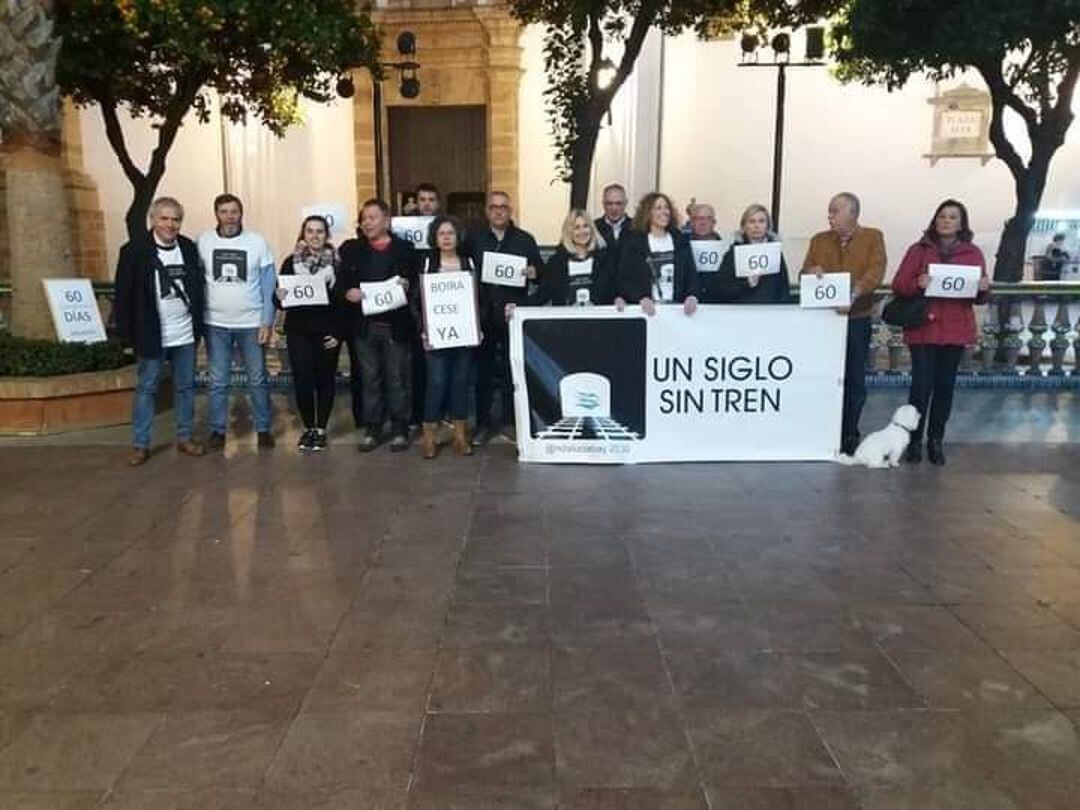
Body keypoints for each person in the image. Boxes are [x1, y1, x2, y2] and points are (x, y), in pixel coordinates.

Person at [892, 199, 989, 465]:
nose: (946, 221)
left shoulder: (973, 254)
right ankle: (913, 441)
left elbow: (979, 297)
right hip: (924, 328)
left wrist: (982, 287)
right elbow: (899, 285)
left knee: (945, 388)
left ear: (961, 223)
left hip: (955, 330)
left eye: (952, 217)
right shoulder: (918, 250)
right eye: (942, 216)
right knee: (920, 387)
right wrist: (917, 283)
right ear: (935, 220)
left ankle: (936, 440)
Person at [114, 197, 206, 466]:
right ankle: (140, 444)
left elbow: (197, 288)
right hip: (151, 333)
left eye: (175, 219)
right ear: (153, 220)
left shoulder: (188, 248)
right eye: (164, 218)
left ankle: (185, 436)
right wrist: (127, 337)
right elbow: (123, 296)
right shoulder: (134, 251)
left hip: (185, 334)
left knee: (186, 387)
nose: (170, 224)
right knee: (147, 388)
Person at [801, 192, 886, 455]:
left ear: (853, 213)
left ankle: (849, 432)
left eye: (835, 211)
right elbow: (804, 271)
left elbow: (876, 271)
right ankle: (821, 429)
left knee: (854, 378)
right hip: (823, 321)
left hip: (856, 319)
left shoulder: (873, 237)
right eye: (829, 211)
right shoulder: (819, 240)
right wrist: (810, 272)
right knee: (822, 375)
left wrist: (854, 293)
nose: (830, 216)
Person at [197, 193, 277, 450]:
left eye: (234, 211)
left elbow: (268, 285)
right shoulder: (203, 242)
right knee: (218, 380)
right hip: (215, 323)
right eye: (224, 211)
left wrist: (267, 321)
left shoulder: (257, 242)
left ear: (241, 214)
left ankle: (263, 429)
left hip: (251, 323)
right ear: (216, 214)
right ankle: (217, 431)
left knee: (257, 378)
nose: (229, 217)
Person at [339, 199, 417, 452]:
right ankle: (372, 427)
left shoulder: (405, 248)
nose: (367, 222)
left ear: (386, 220)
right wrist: (347, 292)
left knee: (397, 378)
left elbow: (417, 282)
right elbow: (340, 283)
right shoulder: (351, 249)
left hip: (395, 325)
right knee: (370, 378)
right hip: (364, 324)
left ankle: (399, 427)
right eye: (364, 218)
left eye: (373, 217)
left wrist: (407, 285)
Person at [469, 191, 544, 445]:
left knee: (514, 370)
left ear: (510, 210)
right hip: (484, 314)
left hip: (514, 313)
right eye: (493, 207)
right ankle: (482, 425)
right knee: (483, 373)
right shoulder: (474, 239)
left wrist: (534, 272)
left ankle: (512, 423)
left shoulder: (525, 240)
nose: (498, 211)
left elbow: (542, 275)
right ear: (487, 211)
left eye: (503, 207)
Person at [275, 215, 343, 452]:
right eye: (310, 231)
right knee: (302, 381)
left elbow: (342, 303)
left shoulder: (336, 264)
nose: (315, 236)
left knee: (325, 381)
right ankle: (308, 428)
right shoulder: (290, 263)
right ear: (303, 234)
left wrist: (338, 333)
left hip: (327, 333)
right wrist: (279, 296)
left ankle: (322, 429)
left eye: (320, 231)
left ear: (327, 235)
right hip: (299, 332)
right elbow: (281, 300)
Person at [416, 215, 478, 459]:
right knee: (437, 382)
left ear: (458, 236)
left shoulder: (468, 263)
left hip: (463, 334)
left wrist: (477, 325)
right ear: (435, 237)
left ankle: (460, 436)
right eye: (442, 233)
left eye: (450, 233)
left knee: (460, 383)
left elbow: (476, 299)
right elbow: (417, 300)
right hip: (436, 335)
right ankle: (429, 437)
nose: (446, 237)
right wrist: (423, 328)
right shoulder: (427, 264)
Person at [615, 192, 699, 317]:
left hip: (678, 312)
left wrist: (692, 296)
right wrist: (640, 298)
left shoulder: (680, 240)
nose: (664, 212)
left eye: (666, 207)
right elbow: (624, 280)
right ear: (648, 213)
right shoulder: (634, 244)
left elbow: (691, 275)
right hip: (648, 313)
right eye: (658, 208)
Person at [511, 208, 612, 311]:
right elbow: (541, 296)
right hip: (566, 325)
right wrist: (517, 306)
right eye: (576, 227)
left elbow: (612, 293)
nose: (582, 231)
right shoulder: (556, 262)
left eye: (585, 226)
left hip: (598, 324)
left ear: (592, 229)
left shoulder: (605, 259)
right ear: (569, 232)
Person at [702, 204, 791, 304]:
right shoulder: (733, 253)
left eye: (761, 221)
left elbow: (783, 288)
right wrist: (745, 283)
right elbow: (720, 288)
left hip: (769, 313)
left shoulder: (775, 253)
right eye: (752, 221)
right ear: (744, 226)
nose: (756, 226)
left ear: (768, 226)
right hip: (741, 312)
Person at [594, 183, 631, 254]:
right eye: (609, 203)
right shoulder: (594, 228)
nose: (614, 208)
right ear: (603, 204)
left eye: (618, 203)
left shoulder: (637, 228)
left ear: (625, 203)